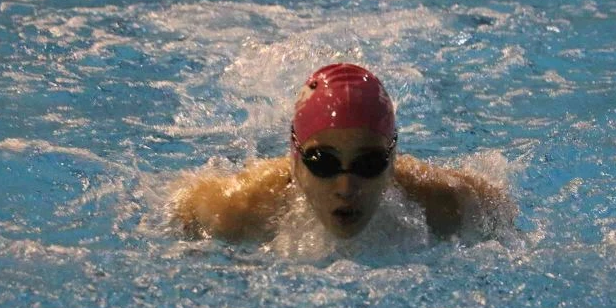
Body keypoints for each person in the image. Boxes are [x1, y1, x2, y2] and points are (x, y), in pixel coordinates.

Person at [170, 63, 515, 242]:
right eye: (323, 163)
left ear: (393, 160)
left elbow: (502, 213)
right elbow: (175, 210)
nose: (346, 187)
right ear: (294, 159)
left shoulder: (448, 205)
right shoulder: (235, 207)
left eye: (369, 163)